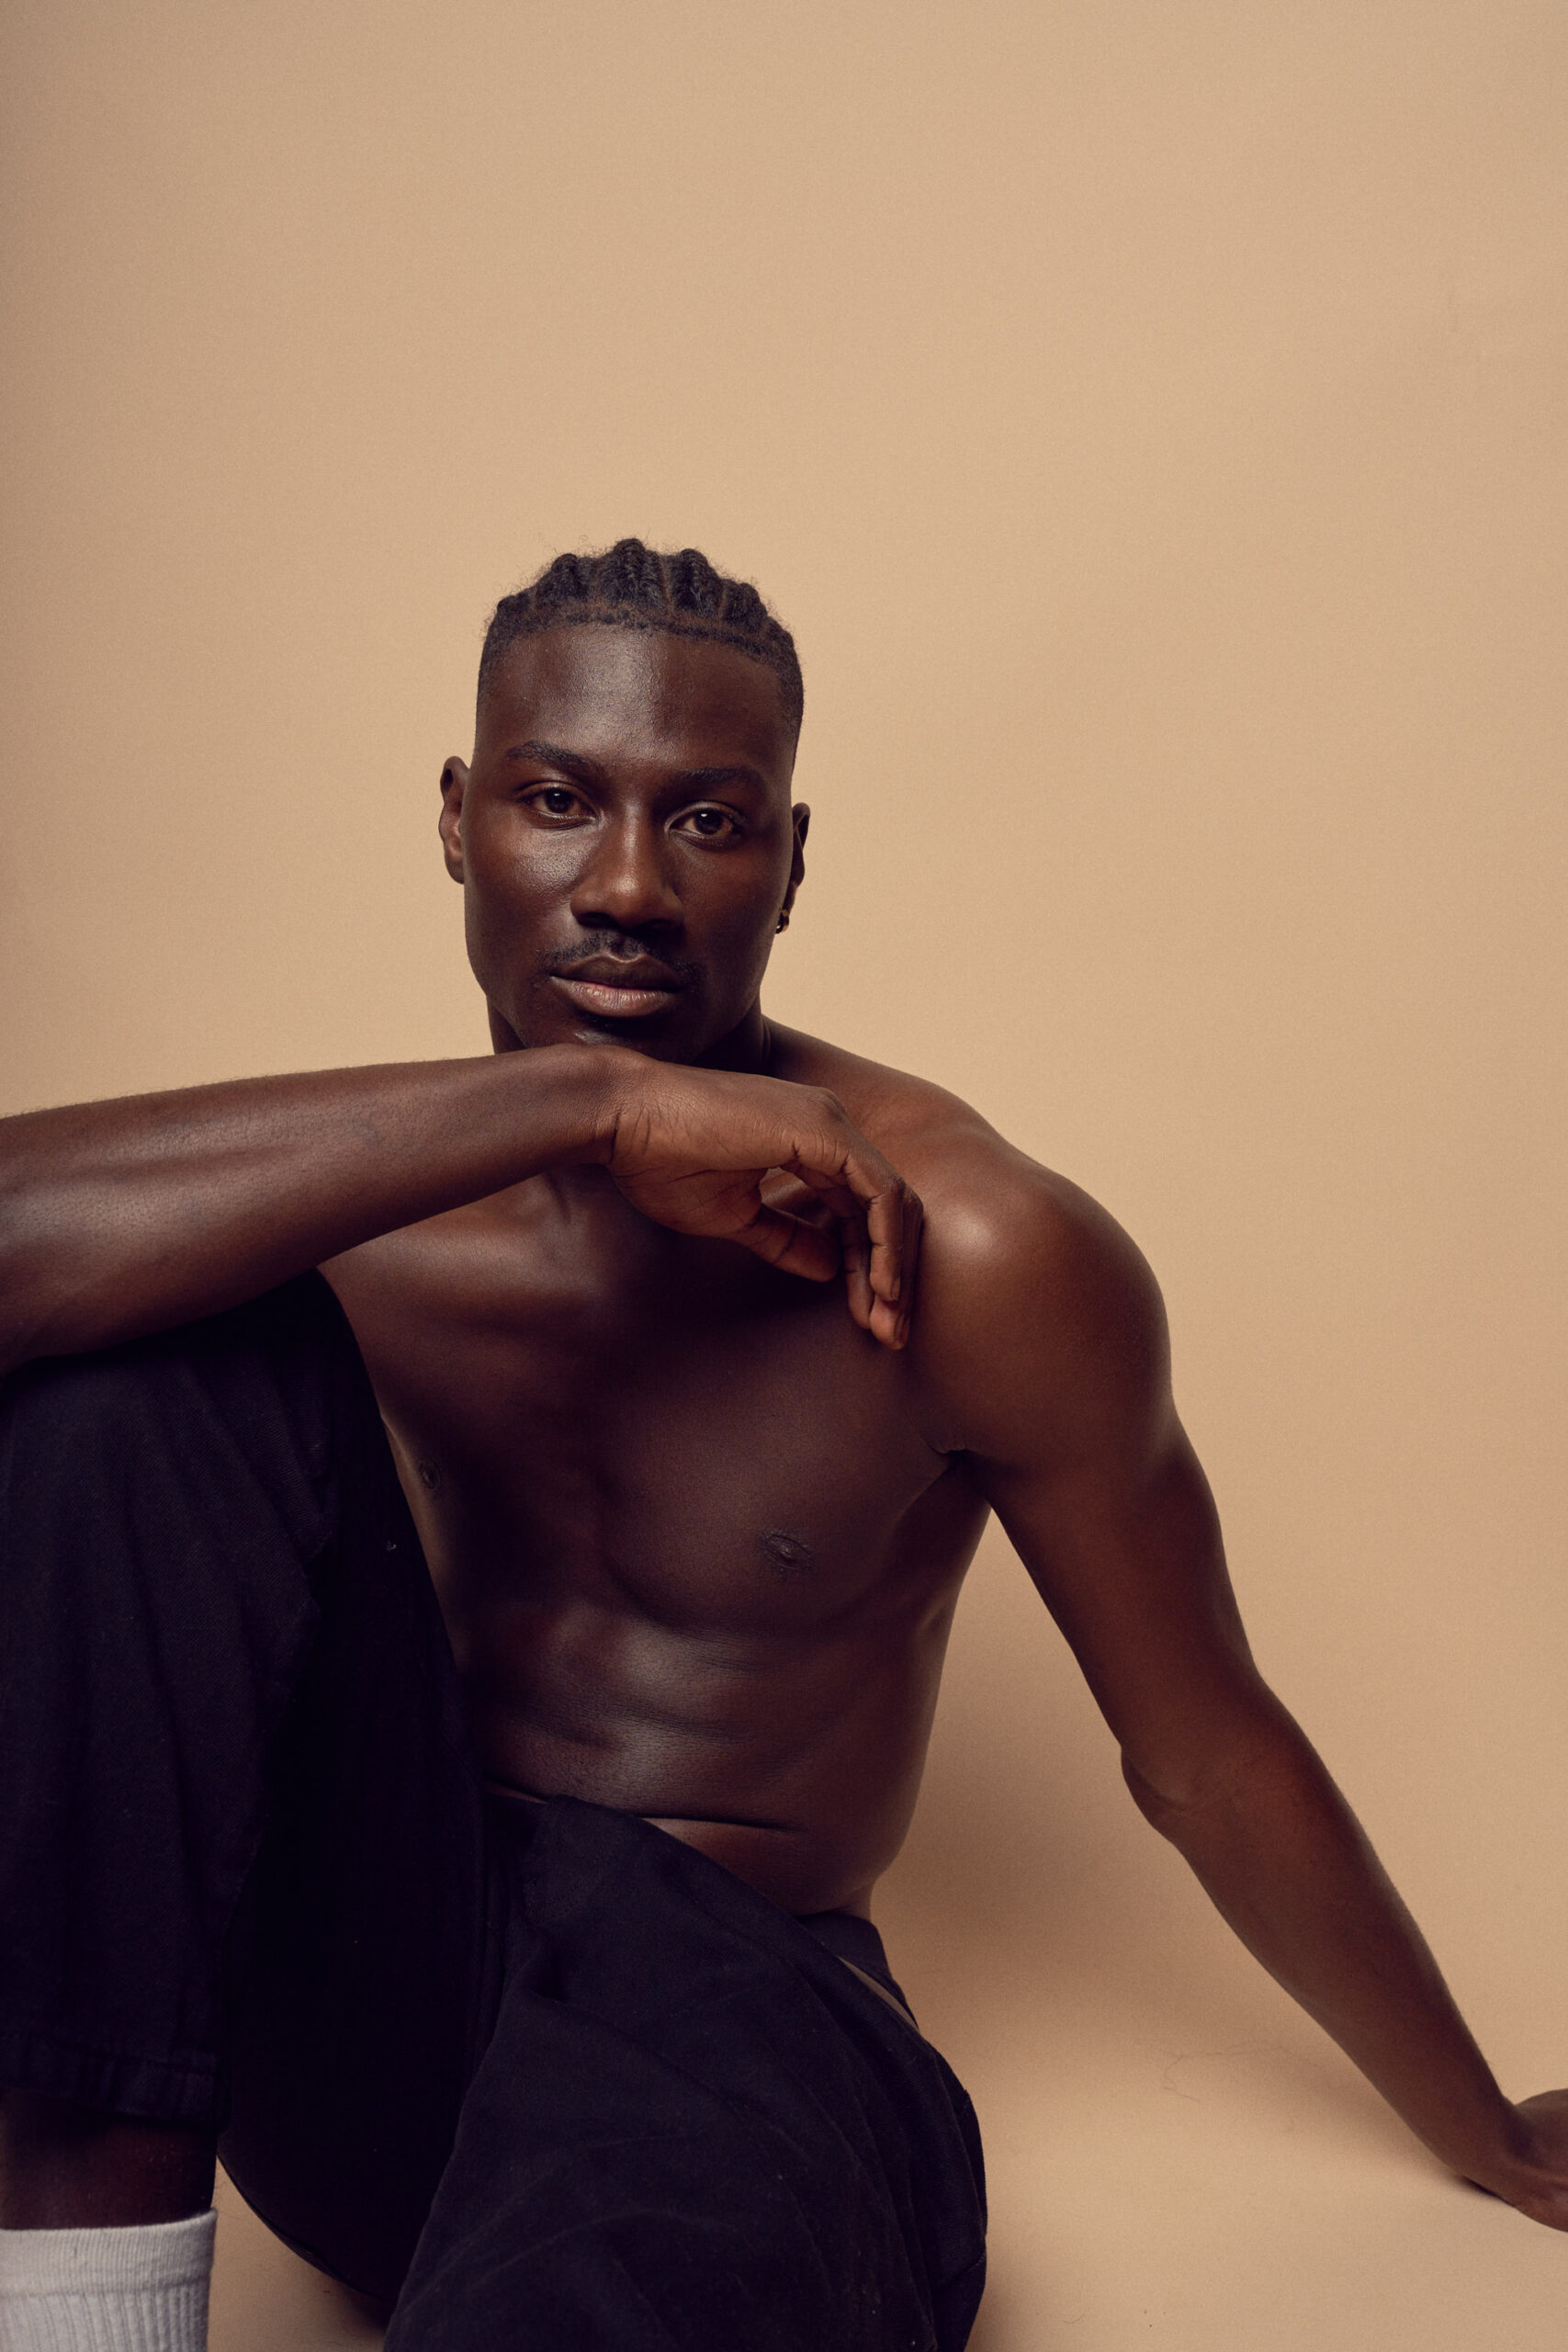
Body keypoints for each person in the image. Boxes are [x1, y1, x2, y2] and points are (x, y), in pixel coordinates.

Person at [0, 540, 1562, 2352]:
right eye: (557, 800)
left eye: (711, 821)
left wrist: (1482, 2121)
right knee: (136, 1344)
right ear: (456, 820)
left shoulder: (962, 1245)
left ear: (791, 863)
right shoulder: (350, 1210)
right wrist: (584, 1102)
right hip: (379, 2005)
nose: (630, 887)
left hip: (733, 2022)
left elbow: (1204, 1750)